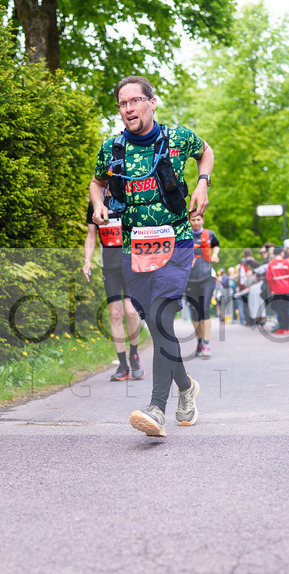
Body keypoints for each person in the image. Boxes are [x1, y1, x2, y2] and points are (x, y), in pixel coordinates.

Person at [89, 75, 214, 438]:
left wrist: (203, 182)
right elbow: (97, 182)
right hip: (133, 248)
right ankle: (187, 387)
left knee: (162, 318)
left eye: (135, 100)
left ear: (152, 102)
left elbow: (206, 151)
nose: (129, 108)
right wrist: (98, 204)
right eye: (122, 103)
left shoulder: (178, 137)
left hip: (175, 241)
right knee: (157, 329)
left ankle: (156, 408)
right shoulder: (112, 149)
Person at [84, 196, 145, 381]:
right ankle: (122, 365)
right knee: (115, 314)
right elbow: (91, 234)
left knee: (132, 312)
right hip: (109, 268)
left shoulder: (129, 197)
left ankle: (134, 357)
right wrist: (87, 260)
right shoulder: (96, 202)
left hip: (131, 264)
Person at [183, 212, 220, 358]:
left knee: (205, 308)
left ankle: (206, 343)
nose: (196, 222)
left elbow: (216, 245)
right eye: (193, 220)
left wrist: (215, 254)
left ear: (203, 219)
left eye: (198, 219)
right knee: (195, 313)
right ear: (189, 221)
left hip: (207, 278)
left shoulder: (209, 234)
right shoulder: (185, 235)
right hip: (190, 279)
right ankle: (199, 341)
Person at [265, 246, 289, 335]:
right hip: (287, 289)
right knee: (286, 309)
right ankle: (287, 328)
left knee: (279, 310)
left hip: (277, 290)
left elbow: (269, 278)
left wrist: (272, 289)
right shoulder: (287, 262)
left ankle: (282, 328)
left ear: (274, 254)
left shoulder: (271, 264)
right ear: (282, 253)